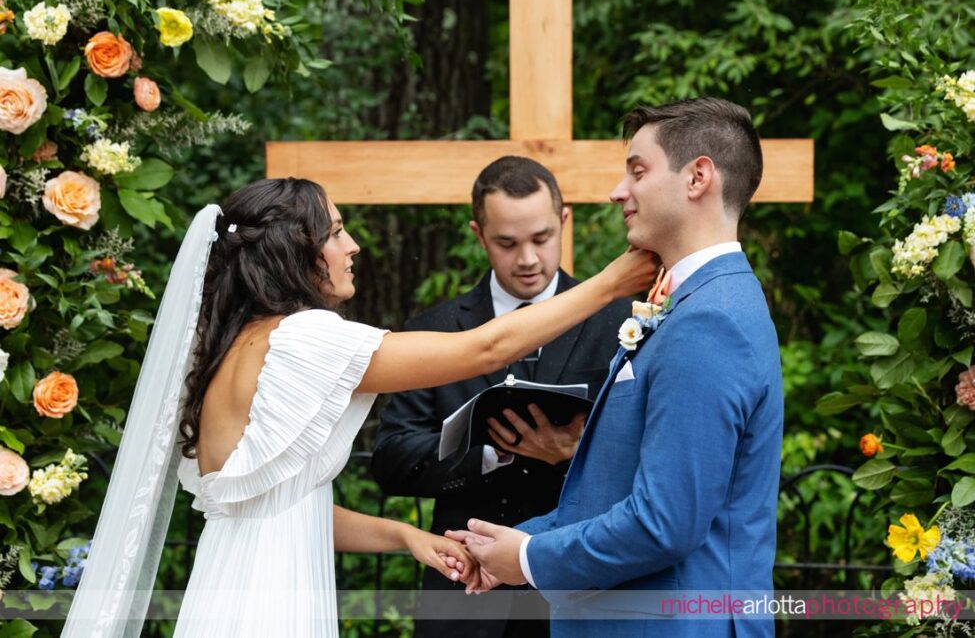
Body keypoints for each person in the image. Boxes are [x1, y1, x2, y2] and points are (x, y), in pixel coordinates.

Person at [60, 177, 655, 638]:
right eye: (336, 231)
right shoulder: (303, 338)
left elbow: (279, 507)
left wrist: (406, 538)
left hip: (223, 589)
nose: (353, 246)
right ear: (299, 252)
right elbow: (487, 347)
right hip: (275, 600)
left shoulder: (228, 350)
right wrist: (609, 283)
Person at [450, 98, 785, 638]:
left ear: (698, 177)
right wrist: (502, 548)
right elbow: (608, 490)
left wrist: (532, 558)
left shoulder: (711, 320)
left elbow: (664, 523)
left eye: (637, 170)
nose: (617, 192)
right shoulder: (692, 303)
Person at [371, 156, 629, 638]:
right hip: (463, 596)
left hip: (576, 591)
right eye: (507, 243)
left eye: (541, 238)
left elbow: (647, 464)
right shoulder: (435, 328)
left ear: (564, 221)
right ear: (478, 234)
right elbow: (390, 460)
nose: (528, 258)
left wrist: (573, 454)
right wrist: (487, 454)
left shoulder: (615, 323)